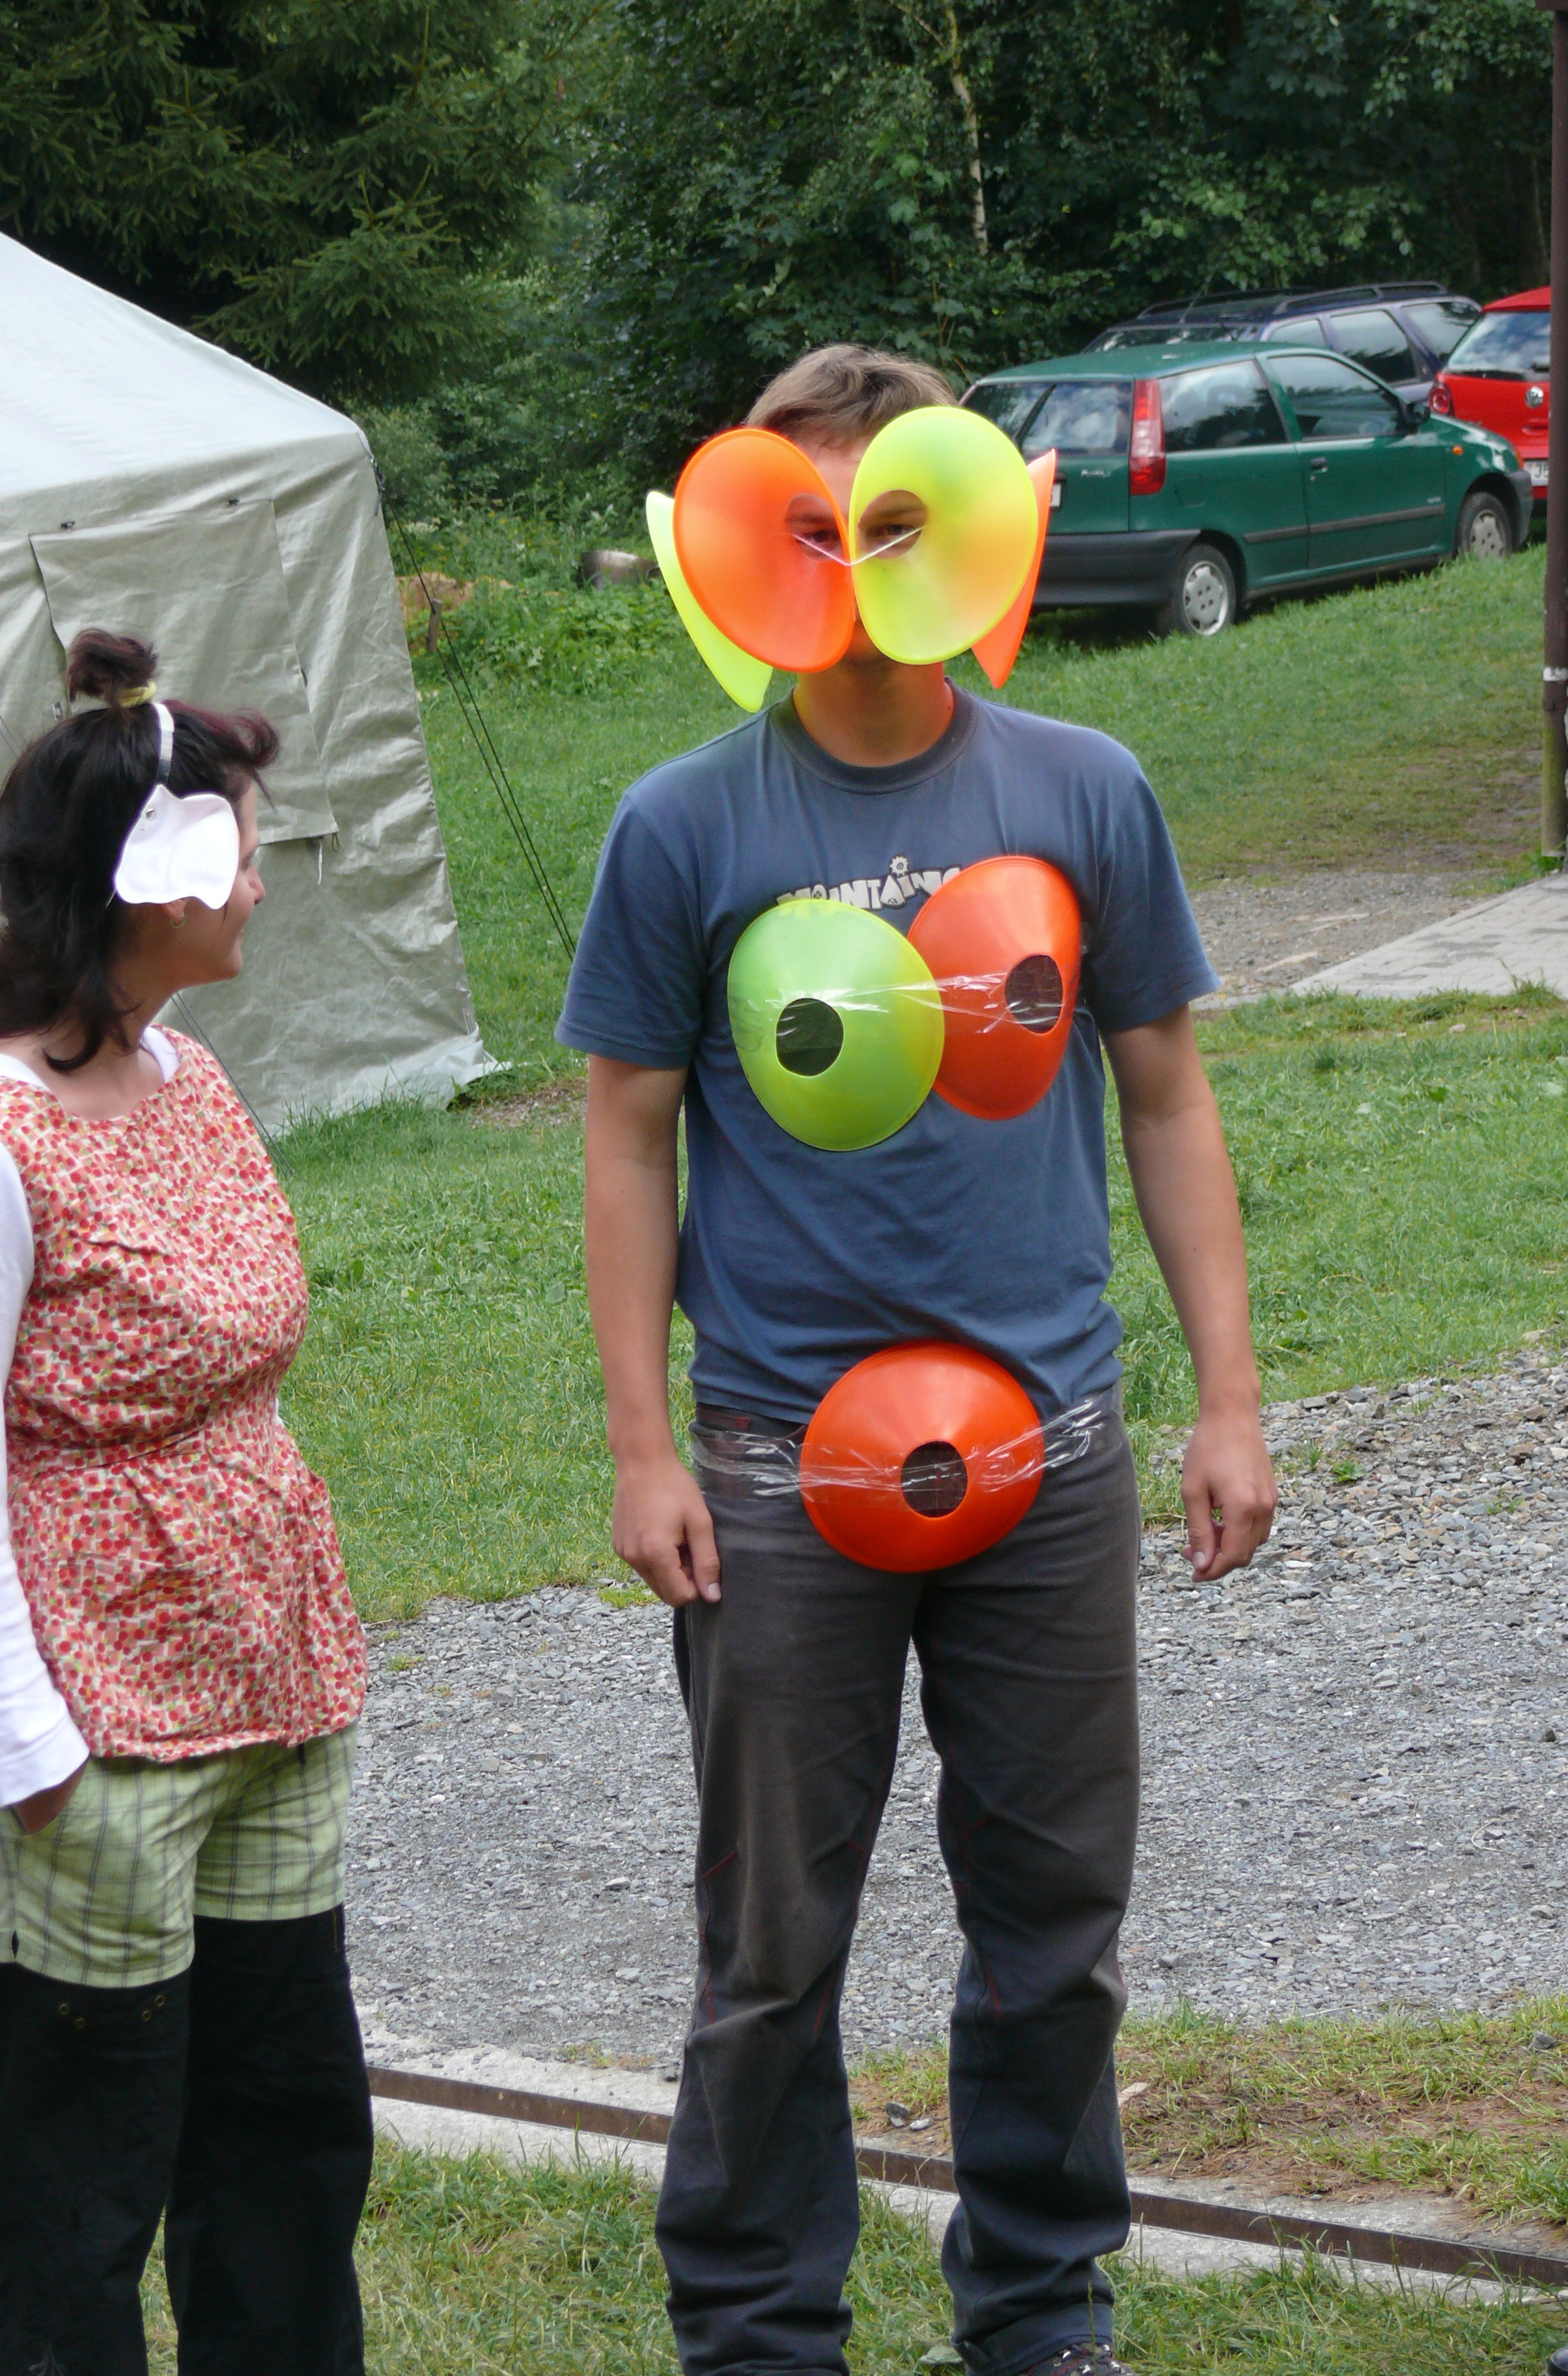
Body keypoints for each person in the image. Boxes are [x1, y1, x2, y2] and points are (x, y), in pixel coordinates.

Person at [558, 345, 1276, 2376]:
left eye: (897, 515)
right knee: (770, 1950)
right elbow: (623, 1137)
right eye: (816, 522)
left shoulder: (1084, 788)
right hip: (780, 1470)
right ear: (755, 539)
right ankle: (758, 2333)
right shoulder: (682, 825)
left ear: (965, 519)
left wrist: (1228, 1401)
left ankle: (1041, 2312)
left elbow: (1167, 1096)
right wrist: (644, 1445)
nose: (861, 561)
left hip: (1051, 1453)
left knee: (1056, 1929)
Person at [0, 630, 372, 2376]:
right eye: (238, 848)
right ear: (150, 881)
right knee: (80, 2190)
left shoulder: (189, 1077)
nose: (258, 879)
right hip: (90, 1747)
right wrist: (32, 1760)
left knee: (287, 2140)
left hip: (268, 1696)